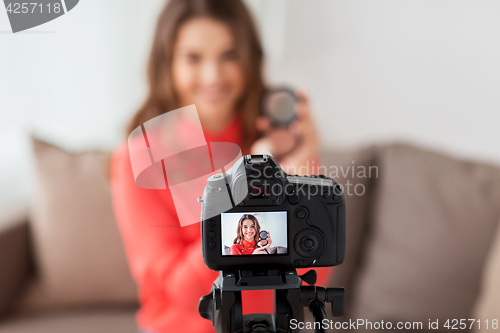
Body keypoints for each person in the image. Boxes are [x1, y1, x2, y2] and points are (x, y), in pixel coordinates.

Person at [110, 0, 332, 332]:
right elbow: (180, 292)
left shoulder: (278, 145)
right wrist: (252, 189)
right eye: (193, 58)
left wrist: (304, 166)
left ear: (249, 59)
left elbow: (312, 276)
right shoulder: (139, 158)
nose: (213, 76)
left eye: (229, 55)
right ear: (166, 63)